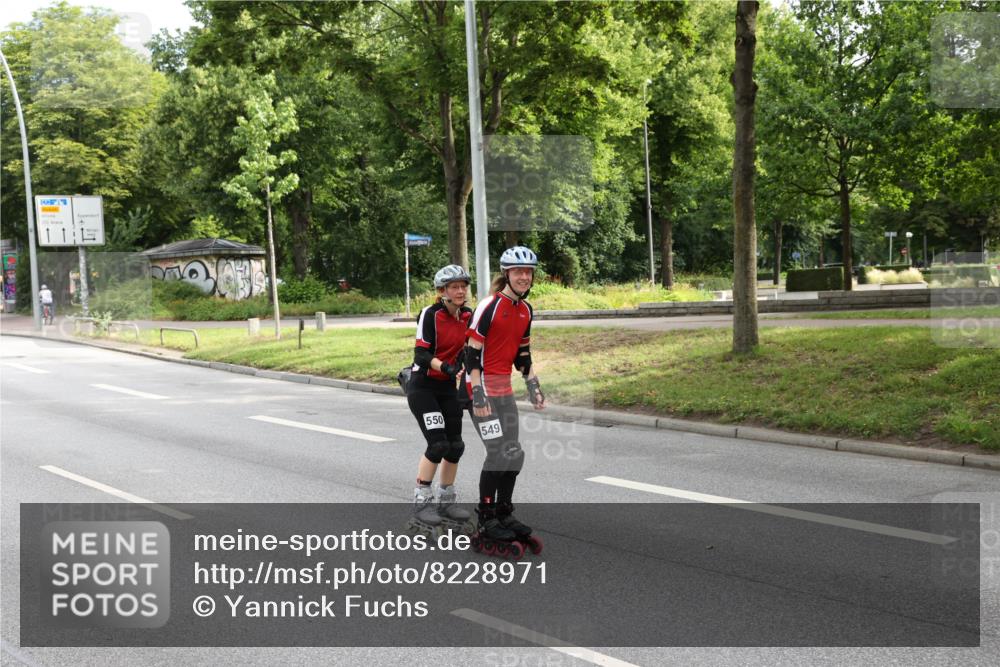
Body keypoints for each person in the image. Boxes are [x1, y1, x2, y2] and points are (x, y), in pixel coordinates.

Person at [463, 246, 545, 557]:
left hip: (503, 391)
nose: (524, 276)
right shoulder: (489, 306)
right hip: (479, 388)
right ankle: (486, 518)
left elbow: (523, 355)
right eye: (517, 272)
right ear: (506, 274)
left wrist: (533, 384)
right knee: (498, 452)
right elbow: (471, 352)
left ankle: (503, 512)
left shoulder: (526, 311)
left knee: (514, 453)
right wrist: (478, 393)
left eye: (528, 272)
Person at [406, 264, 474, 535]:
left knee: (455, 445)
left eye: (463, 286)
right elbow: (420, 355)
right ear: (442, 291)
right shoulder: (430, 315)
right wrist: (446, 368)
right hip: (423, 387)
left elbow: (473, 345)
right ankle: (422, 500)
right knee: (438, 444)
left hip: (447, 388)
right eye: (454, 287)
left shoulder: (468, 315)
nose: (460, 291)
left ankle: (446, 500)